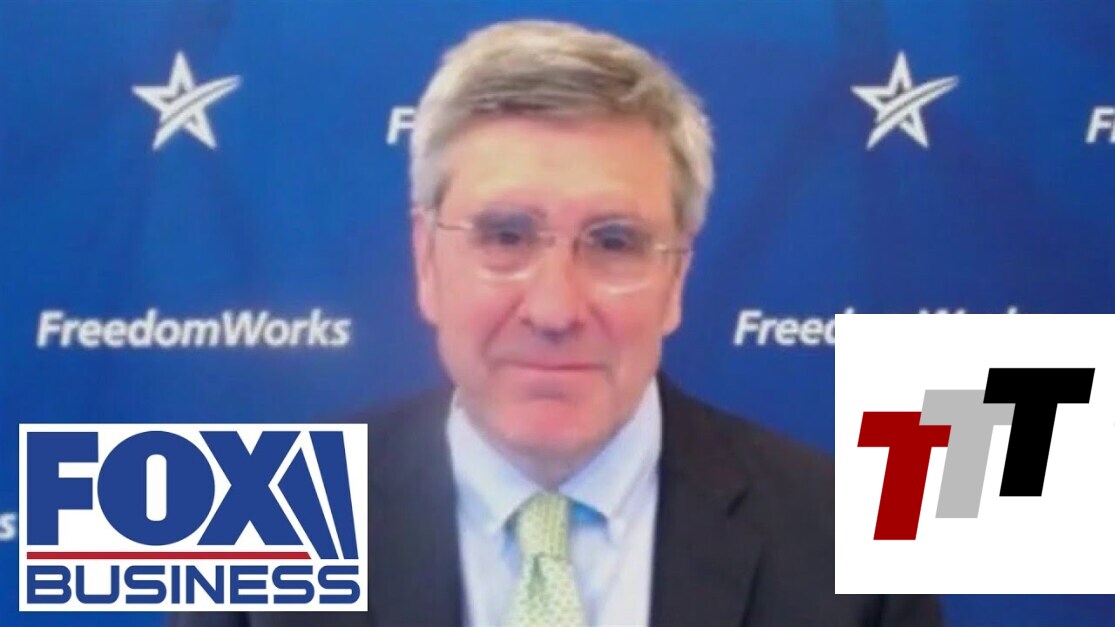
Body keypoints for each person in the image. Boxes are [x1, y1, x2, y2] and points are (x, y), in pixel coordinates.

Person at [171, 19, 940, 627]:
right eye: (505, 236)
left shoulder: (853, 542)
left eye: (614, 242)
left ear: (676, 276)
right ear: (427, 261)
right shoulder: (257, 522)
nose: (553, 309)